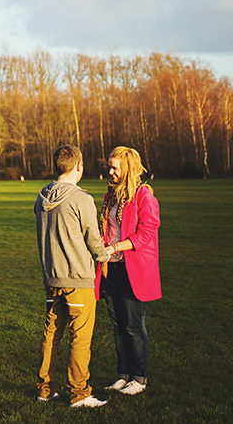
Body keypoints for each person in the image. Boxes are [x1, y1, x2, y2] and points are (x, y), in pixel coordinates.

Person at [35, 145, 110, 408]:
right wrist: (105, 256)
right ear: (78, 166)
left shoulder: (41, 196)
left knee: (52, 334)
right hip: (77, 279)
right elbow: (93, 239)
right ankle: (79, 393)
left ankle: (45, 390)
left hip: (51, 278)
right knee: (80, 336)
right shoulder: (81, 199)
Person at [95, 146, 161, 396]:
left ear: (128, 169)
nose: (110, 172)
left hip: (133, 269)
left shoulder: (144, 197)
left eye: (114, 168)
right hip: (111, 268)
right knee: (118, 324)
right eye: (109, 167)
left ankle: (139, 378)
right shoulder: (110, 196)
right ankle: (122, 375)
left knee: (134, 325)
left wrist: (115, 247)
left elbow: (147, 233)